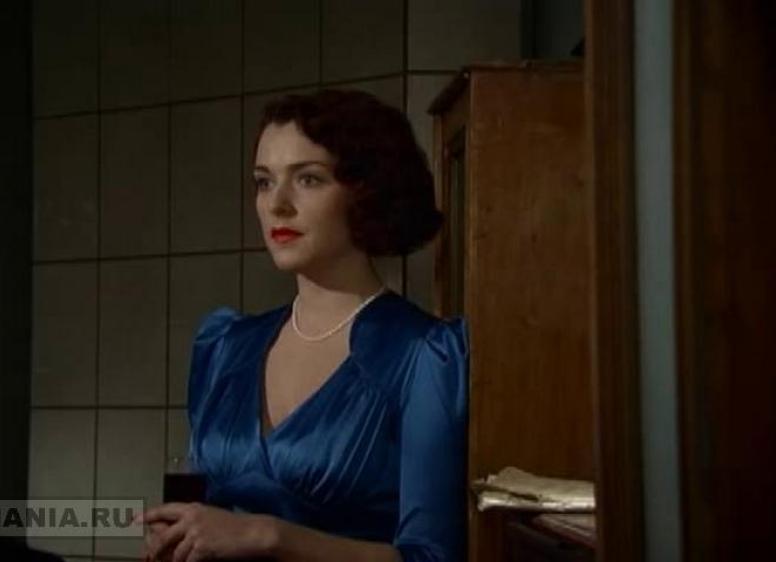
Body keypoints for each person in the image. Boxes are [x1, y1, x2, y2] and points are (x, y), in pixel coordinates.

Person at [135, 89, 470, 562]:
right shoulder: (225, 346)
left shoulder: (424, 354)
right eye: (264, 182)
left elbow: (431, 556)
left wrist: (269, 535)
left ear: (367, 191)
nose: (277, 204)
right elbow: (208, 515)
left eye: (308, 179)